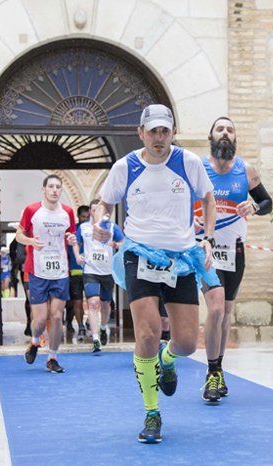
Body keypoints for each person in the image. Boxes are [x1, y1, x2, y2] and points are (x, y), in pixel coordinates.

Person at [93, 104, 218, 444]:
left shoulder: (188, 163)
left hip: (181, 257)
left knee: (188, 343)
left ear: (172, 133)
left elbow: (208, 199)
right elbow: (104, 203)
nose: (159, 138)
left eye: (165, 131)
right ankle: (152, 413)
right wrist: (99, 222)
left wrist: (206, 238)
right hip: (139, 255)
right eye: (153, 131)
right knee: (146, 335)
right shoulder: (126, 166)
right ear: (141, 133)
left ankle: (167, 359)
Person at [197, 116, 273, 401]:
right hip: (206, 250)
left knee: (226, 313)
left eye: (230, 130)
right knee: (215, 310)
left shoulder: (246, 170)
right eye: (220, 129)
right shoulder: (199, 169)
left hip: (235, 250)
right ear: (211, 136)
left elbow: (268, 203)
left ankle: (218, 370)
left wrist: (253, 206)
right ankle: (212, 372)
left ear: (235, 138)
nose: (225, 133)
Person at [15, 174, 78, 373]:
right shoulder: (32, 210)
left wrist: (72, 240)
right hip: (38, 271)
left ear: (61, 190)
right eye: (50, 186)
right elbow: (19, 235)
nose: (54, 190)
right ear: (44, 189)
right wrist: (31, 242)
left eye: (58, 187)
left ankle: (52, 358)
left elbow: (71, 237)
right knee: (41, 320)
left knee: (57, 316)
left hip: (60, 270)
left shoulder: (67, 212)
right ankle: (35, 342)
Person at [77, 198, 124, 353]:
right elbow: (76, 243)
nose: (98, 211)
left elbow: (124, 242)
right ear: (91, 211)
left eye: (100, 209)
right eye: (94, 209)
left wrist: (117, 245)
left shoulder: (112, 227)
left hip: (107, 272)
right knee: (93, 303)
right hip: (90, 271)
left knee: (105, 305)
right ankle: (95, 339)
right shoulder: (83, 228)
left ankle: (103, 327)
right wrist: (78, 255)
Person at [65, 205, 89, 339]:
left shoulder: (94, 231)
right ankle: (80, 326)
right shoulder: (72, 232)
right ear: (78, 217)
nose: (85, 220)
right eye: (83, 217)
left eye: (88, 217)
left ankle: (89, 322)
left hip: (91, 272)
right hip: (74, 273)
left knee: (93, 301)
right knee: (77, 302)